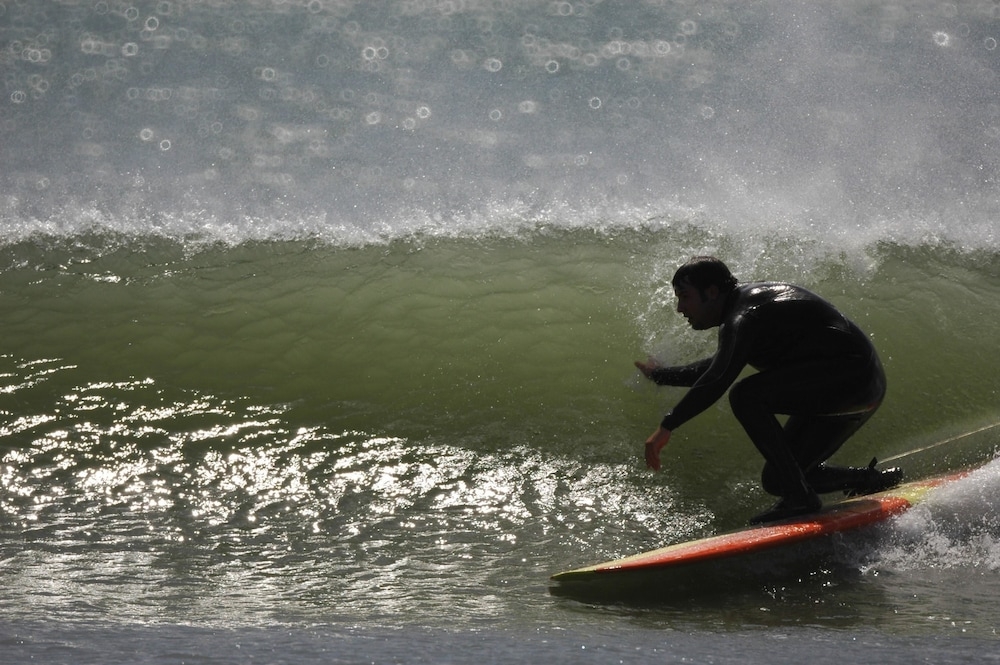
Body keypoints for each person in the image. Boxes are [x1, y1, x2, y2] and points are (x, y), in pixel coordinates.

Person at [635, 256, 902, 524]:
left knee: (745, 396)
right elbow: (717, 367)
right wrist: (660, 375)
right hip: (855, 386)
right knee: (779, 478)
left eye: (684, 297)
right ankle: (865, 479)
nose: (680, 308)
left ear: (712, 292)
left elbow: (718, 378)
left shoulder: (743, 316)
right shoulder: (746, 310)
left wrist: (667, 426)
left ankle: (801, 499)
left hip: (852, 380)